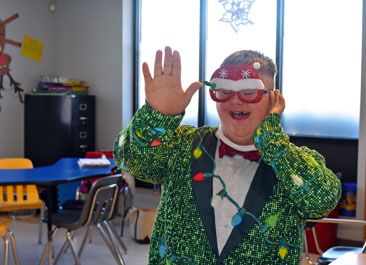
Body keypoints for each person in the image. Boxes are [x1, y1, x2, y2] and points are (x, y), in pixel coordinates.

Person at [113, 46, 341, 265]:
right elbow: (129, 160)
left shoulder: (294, 164)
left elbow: (321, 202)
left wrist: (273, 143)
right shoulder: (181, 144)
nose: (236, 100)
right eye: (225, 92)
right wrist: (157, 117)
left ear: (273, 99)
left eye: (249, 92)